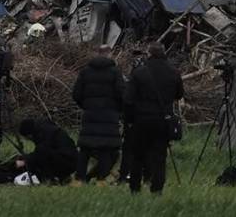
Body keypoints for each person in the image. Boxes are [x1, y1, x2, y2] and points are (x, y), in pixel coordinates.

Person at [124, 42, 184, 195]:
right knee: (159, 157)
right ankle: (157, 189)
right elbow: (179, 94)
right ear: (164, 53)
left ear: (149, 54)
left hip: (141, 120)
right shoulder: (173, 72)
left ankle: (135, 188)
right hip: (163, 120)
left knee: (137, 156)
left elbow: (129, 99)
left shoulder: (139, 73)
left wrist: (129, 120)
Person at [72, 46, 125, 185]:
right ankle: (101, 179)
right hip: (109, 117)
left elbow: (76, 94)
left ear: (97, 54)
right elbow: (122, 94)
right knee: (106, 148)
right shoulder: (115, 72)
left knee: (85, 147)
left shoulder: (85, 72)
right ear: (109, 54)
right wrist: (117, 109)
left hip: (90, 115)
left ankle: (79, 178)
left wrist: (86, 105)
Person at [17, 118, 78, 184]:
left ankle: (50, 179)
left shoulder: (44, 133)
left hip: (68, 162)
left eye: (27, 138)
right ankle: (60, 177)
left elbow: (41, 152)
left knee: (41, 152)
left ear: (29, 134)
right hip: (69, 159)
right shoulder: (45, 129)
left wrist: (25, 161)